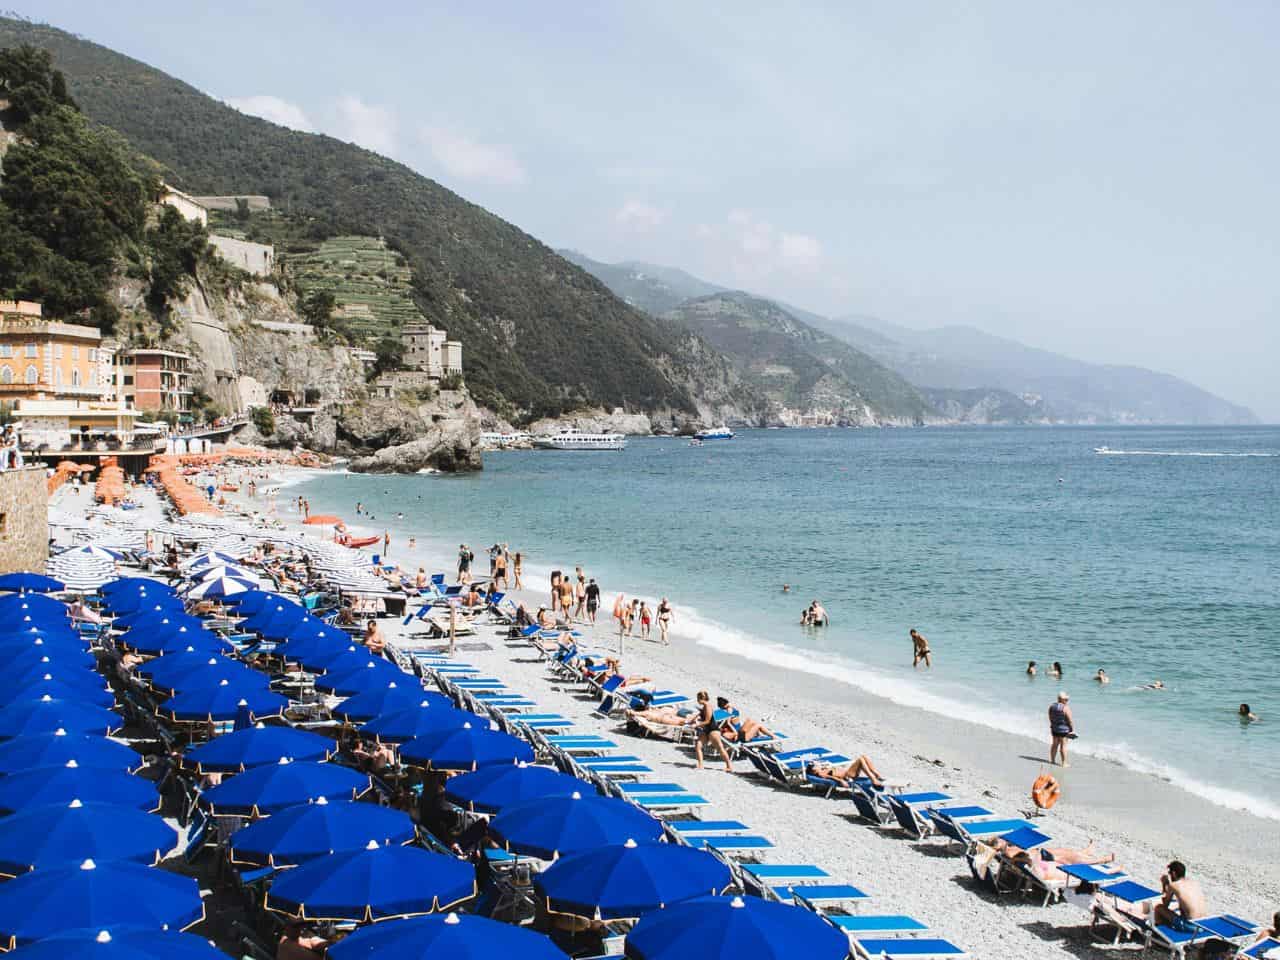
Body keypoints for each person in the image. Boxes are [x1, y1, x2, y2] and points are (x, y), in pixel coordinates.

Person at [687, 691, 733, 773]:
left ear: (700, 698)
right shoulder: (704, 706)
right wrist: (691, 721)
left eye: (698, 698)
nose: (697, 700)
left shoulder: (708, 706)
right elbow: (699, 715)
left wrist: (697, 724)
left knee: (720, 748)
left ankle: (729, 766)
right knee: (698, 745)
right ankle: (700, 765)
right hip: (706, 730)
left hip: (713, 730)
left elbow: (707, 721)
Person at [1154, 861, 1207, 930]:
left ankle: (1158, 931)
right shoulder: (1193, 883)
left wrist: (1164, 884)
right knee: (1180, 907)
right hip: (1204, 923)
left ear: (1174, 873)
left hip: (1190, 926)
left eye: (1169, 873)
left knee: (1159, 908)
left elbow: (1165, 905)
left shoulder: (1174, 885)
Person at [808, 755, 886, 790]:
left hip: (848, 773)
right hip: (848, 776)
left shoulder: (822, 769)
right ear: (813, 770)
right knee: (860, 759)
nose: (817, 764)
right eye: (815, 765)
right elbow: (831, 777)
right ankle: (873, 778)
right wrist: (841, 781)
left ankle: (876, 774)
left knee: (863, 757)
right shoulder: (820, 773)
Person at [1048, 691, 1074, 767]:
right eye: (1066, 699)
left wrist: (1052, 725)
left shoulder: (1052, 706)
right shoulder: (1065, 708)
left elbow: (1050, 717)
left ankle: (1052, 760)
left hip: (1054, 729)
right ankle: (1064, 763)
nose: (1067, 701)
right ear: (1062, 700)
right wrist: (1072, 730)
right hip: (1064, 730)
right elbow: (1070, 721)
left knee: (1054, 745)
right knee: (1063, 746)